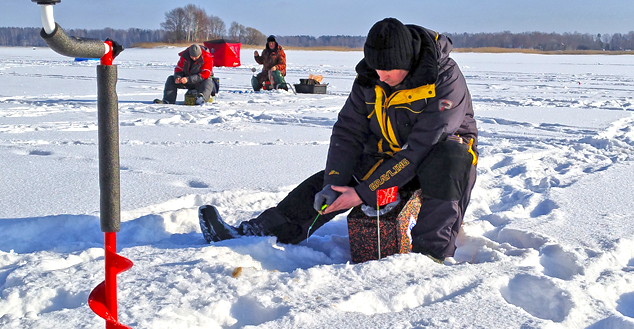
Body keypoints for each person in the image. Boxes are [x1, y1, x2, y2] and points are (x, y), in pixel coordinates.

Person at [199, 17, 478, 262]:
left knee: (449, 160)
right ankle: (256, 232)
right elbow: (348, 131)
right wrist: (334, 182)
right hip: (388, 156)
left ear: (406, 62)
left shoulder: (444, 77)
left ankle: (430, 257)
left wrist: (362, 193)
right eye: (376, 69)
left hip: (434, 158)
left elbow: (421, 148)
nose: (380, 76)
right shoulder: (371, 77)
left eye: (387, 71)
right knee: (329, 186)